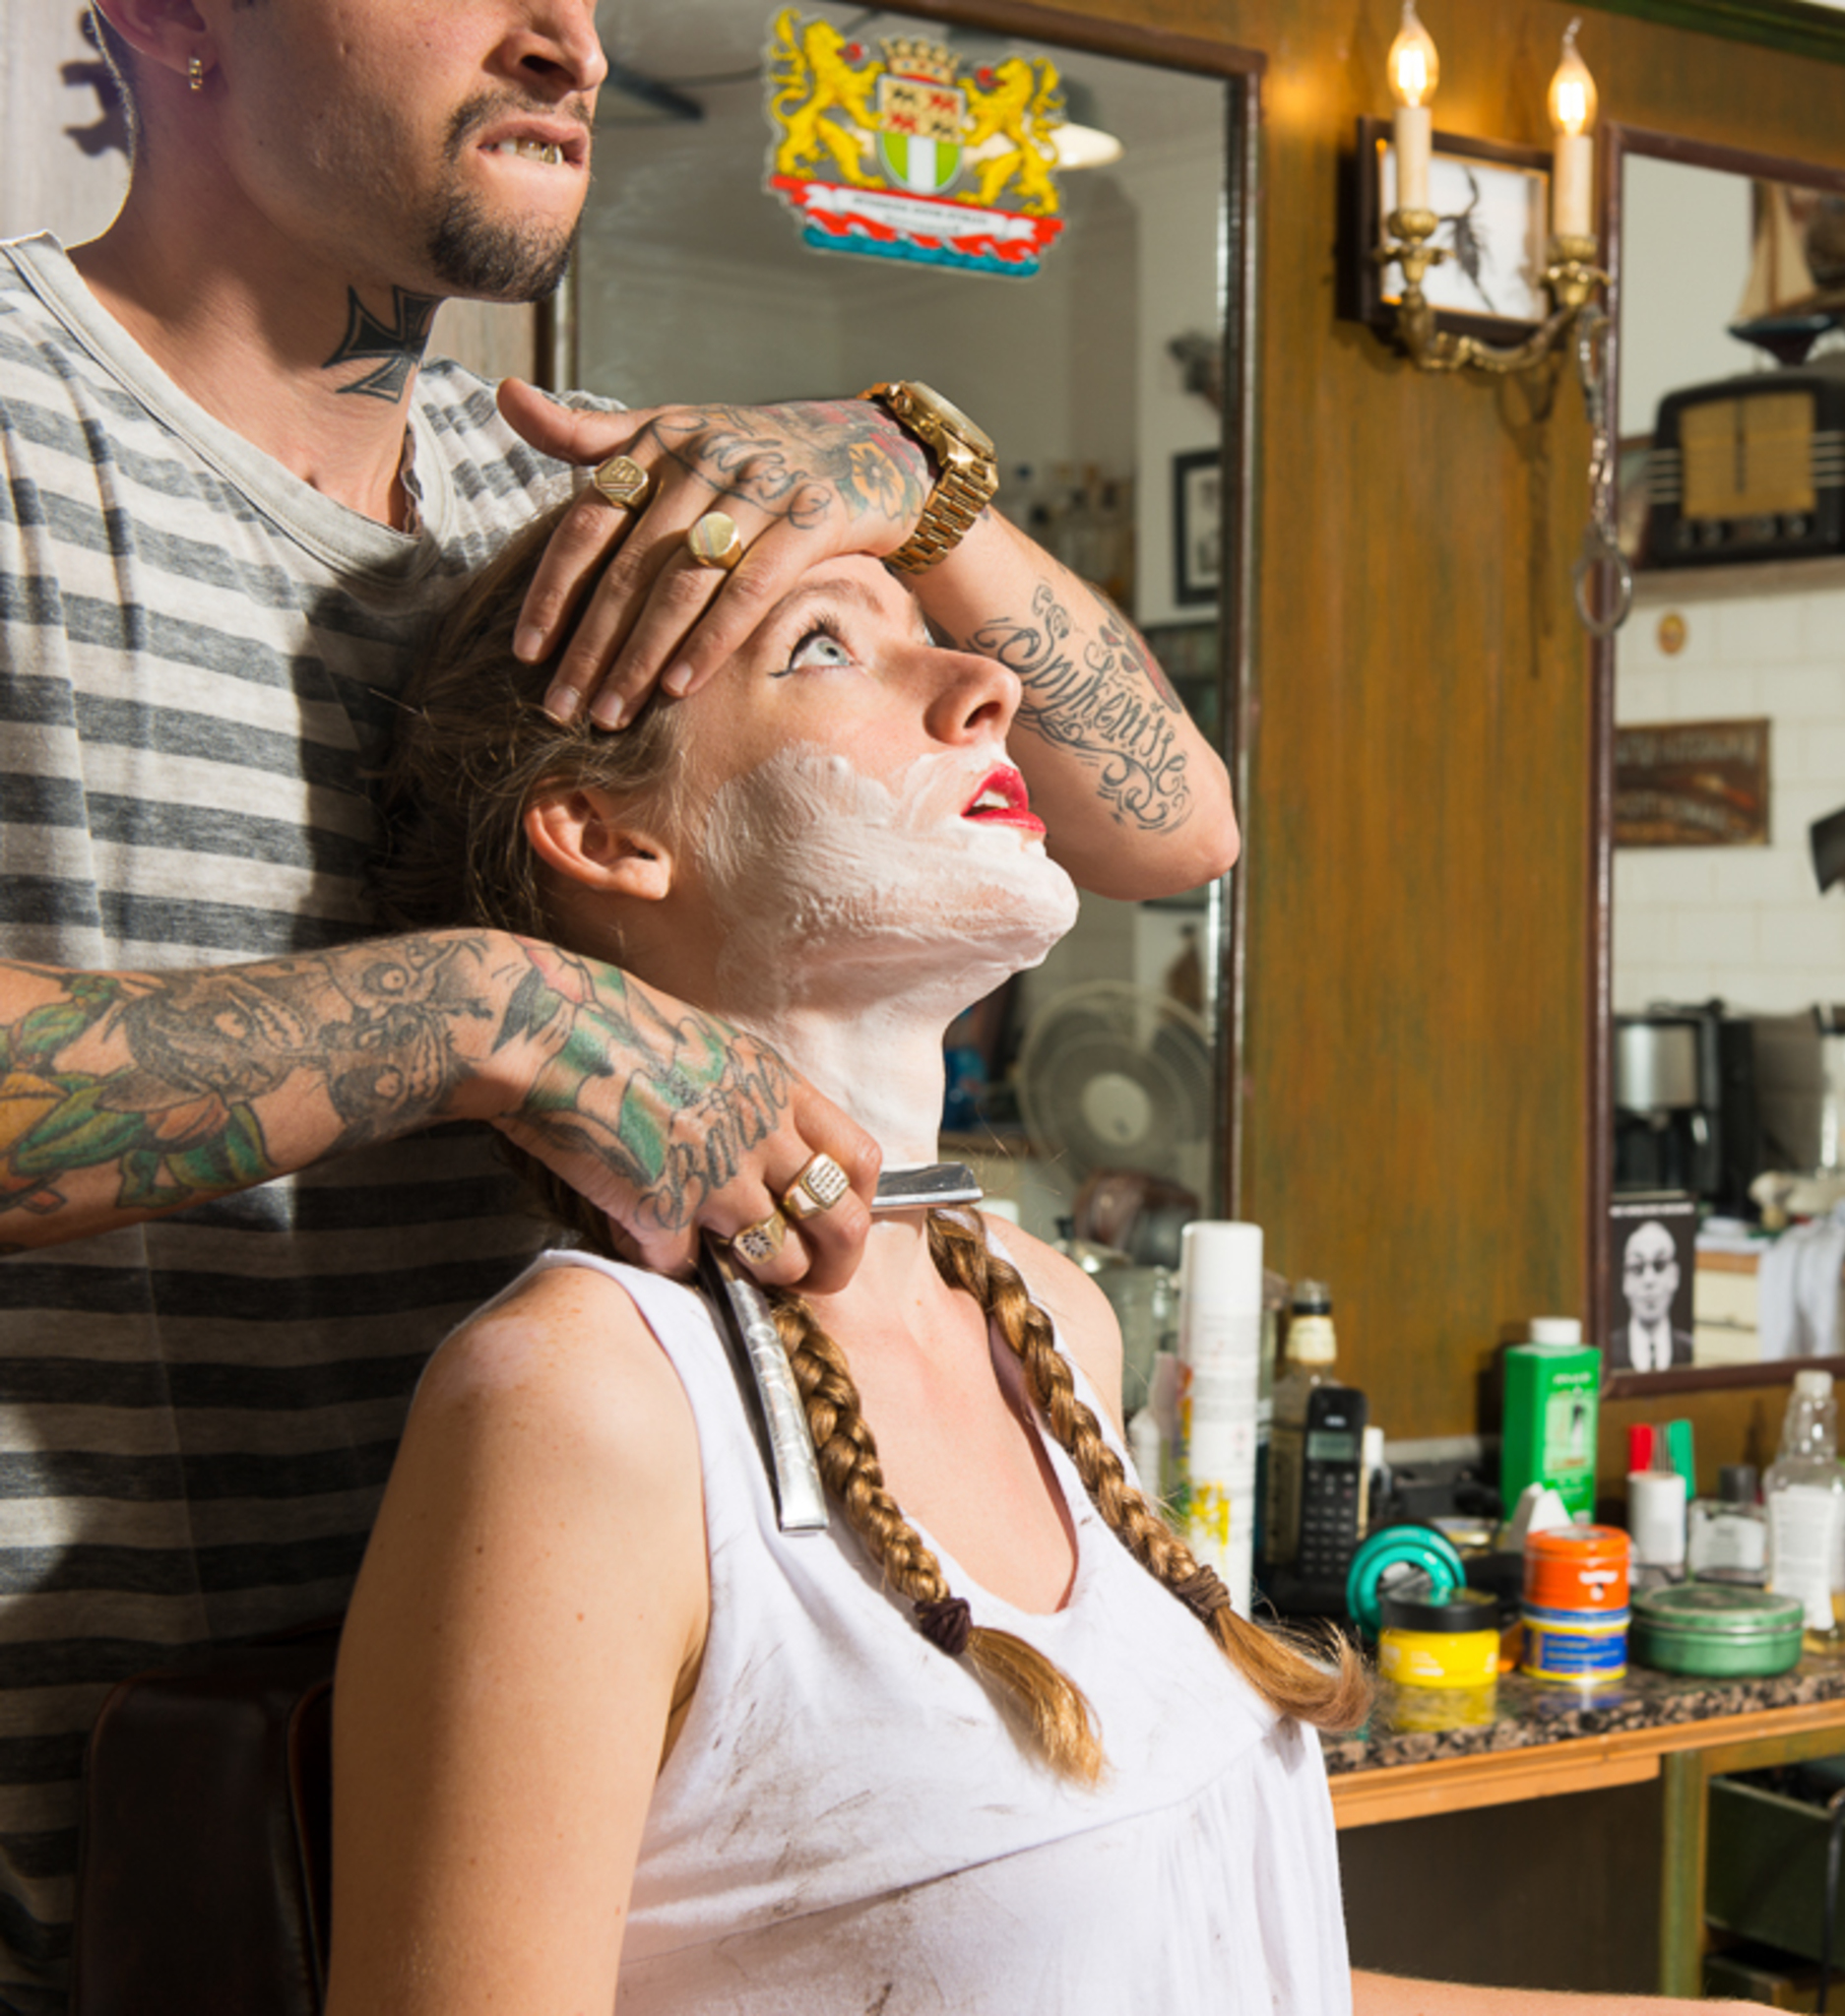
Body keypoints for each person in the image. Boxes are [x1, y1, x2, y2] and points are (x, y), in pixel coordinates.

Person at [0, 1, 1229, 1999]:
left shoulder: (609, 509)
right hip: (75, 1869)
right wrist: (491, 1015)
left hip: (618, 1820)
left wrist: (912, 478)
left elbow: (1169, 824)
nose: (564, 38)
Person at [332, 516, 1750, 2016]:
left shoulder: (1050, 1315)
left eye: (926, 631)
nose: (983, 683)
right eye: (825, 644)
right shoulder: (586, 1407)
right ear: (610, 836)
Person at [1620, 1217, 1685, 1371]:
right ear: (1625, 1280)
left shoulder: (1689, 1349)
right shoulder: (1604, 1352)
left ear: (1675, 1275)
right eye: (1637, 1267)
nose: (1649, 1280)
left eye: (1659, 1265)